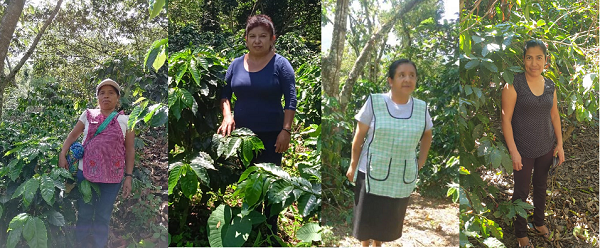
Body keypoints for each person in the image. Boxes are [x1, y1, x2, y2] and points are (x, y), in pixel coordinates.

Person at [217, 14, 296, 238]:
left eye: (263, 36)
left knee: (271, 183)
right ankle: (251, 225)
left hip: (272, 135)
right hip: (243, 137)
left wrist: (286, 130)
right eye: (252, 36)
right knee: (249, 181)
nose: (257, 40)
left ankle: (270, 229)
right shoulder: (235, 65)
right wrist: (227, 116)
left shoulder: (280, 65)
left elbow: (291, 100)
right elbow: (225, 94)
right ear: (246, 39)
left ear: (273, 39)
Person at [345, 59, 433, 247]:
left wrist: (420, 162)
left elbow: (427, 135)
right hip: (370, 172)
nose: (407, 79)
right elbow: (358, 137)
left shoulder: (421, 107)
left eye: (412, 75)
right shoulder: (375, 102)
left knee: (385, 221)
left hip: (400, 176)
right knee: (366, 221)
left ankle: (378, 245)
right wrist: (353, 165)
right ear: (390, 80)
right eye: (401, 75)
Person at [501, 39, 565, 248]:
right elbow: (506, 119)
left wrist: (560, 144)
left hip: (546, 147)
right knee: (520, 191)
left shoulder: (550, 85)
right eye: (530, 58)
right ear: (523, 60)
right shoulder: (514, 84)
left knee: (540, 186)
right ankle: (520, 232)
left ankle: (538, 222)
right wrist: (514, 152)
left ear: (546, 61)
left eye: (539, 58)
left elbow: (554, 116)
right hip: (523, 150)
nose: (534, 63)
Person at [59, 79, 135, 248]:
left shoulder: (127, 120)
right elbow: (72, 136)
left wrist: (128, 176)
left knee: (103, 215)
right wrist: (62, 154)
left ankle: (99, 244)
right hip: (85, 173)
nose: (106, 96)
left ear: (117, 98)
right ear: (97, 97)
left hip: (113, 176)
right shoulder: (87, 115)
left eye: (111, 93)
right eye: (102, 93)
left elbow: (129, 150)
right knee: (85, 212)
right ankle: (81, 242)